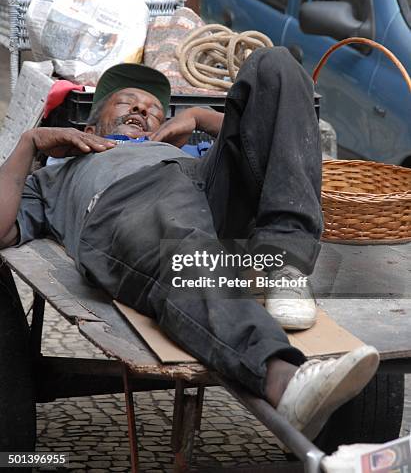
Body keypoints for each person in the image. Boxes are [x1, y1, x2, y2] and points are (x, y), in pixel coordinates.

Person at [0, 48, 379, 444]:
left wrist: (196, 117)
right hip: (131, 205)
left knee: (276, 64)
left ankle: (284, 266)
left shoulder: (184, 151)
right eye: (126, 102)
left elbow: (254, 127)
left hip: (200, 187)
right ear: (90, 129)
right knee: (180, 234)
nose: (140, 110)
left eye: (152, 110)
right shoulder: (59, 175)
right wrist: (30, 143)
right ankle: (282, 380)